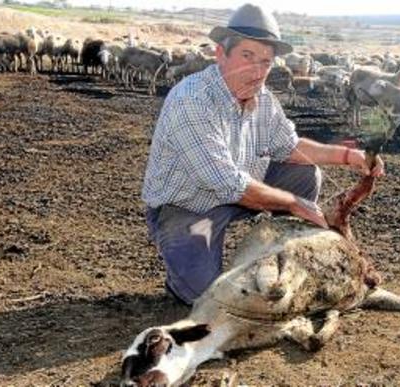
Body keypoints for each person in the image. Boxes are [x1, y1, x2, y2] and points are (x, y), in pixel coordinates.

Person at [141, 3, 384, 306]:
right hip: (189, 205)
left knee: (305, 173)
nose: (257, 70)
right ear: (221, 53)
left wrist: (350, 156)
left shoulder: (263, 99)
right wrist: (296, 204)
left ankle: (281, 251)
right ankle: (182, 281)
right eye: (247, 56)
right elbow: (227, 182)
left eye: (266, 61)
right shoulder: (192, 101)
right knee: (207, 298)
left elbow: (291, 147)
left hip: (239, 188)